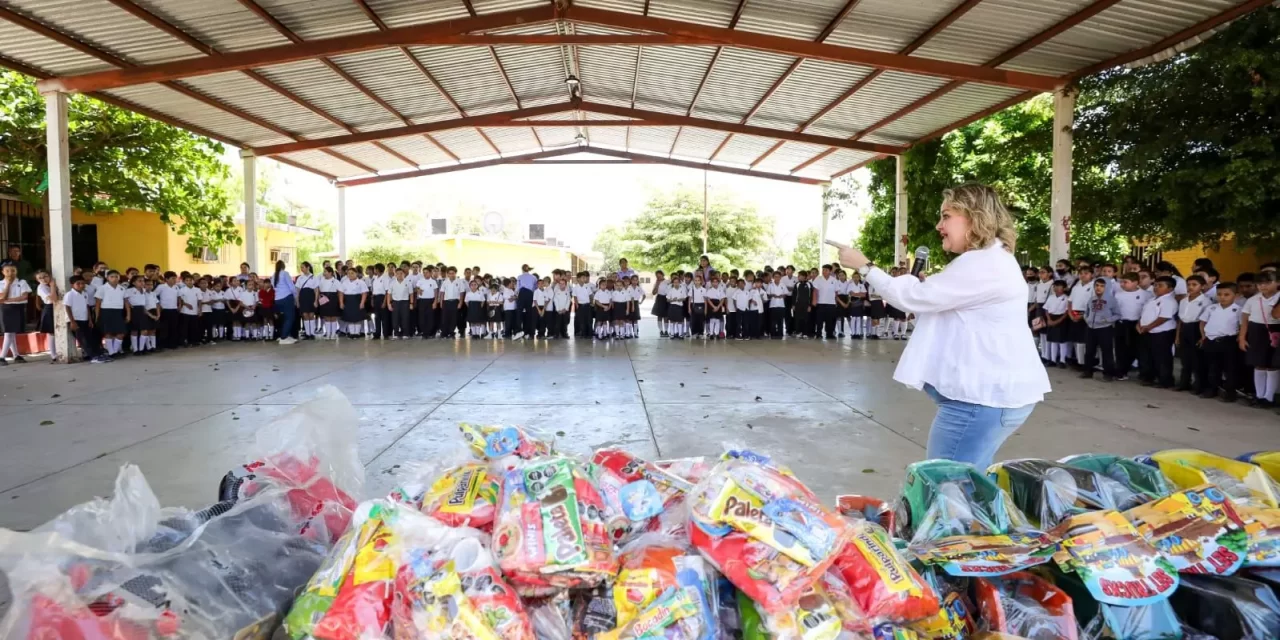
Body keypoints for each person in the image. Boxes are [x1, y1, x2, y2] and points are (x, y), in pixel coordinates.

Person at [832, 182, 1050, 468]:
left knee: (945, 489)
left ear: (974, 218)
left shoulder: (982, 263)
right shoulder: (994, 260)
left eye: (946, 216)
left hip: (978, 402)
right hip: (990, 399)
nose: (939, 225)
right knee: (967, 486)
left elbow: (911, 297)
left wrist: (864, 266)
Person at [1239, 271, 1279, 407]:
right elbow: (1245, 319)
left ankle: (1269, 397)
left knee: (1272, 365)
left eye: (1268, 283)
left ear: (1277, 283)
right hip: (1256, 331)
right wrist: (1242, 337)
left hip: (1275, 331)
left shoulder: (1279, 297)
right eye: (1260, 283)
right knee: (1259, 363)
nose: (1263, 286)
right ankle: (1259, 395)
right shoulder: (1253, 300)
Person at [1199, 282, 1240, 401]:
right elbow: (1202, 322)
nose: (1222, 297)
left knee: (1230, 368)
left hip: (1228, 341)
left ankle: (1230, 392)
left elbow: (1242, 325)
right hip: (1211, 340)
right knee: (1212, 367)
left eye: (1226, 294)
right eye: (1219, 294)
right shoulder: (1211, 308)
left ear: (1235, 295)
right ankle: (1212, 389)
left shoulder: (1238, 310)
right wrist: (1203, 336)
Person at [1137, 276, 1178, 389]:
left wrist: (1148, 327)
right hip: (1147, 331)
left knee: (1162, 357)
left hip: (1162, 332)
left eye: (1160, 286)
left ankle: (1165, 380)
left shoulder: (1169, 301)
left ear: (1170, 289)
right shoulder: (1152, 299)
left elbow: (1163, 318)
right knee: (1147, 356)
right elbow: (1143, 314)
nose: (1156, 288)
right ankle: (1148, 377)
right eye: (1155, 285)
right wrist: (1140, 325)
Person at [1174, 275, 1211, 393]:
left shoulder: (1206, 301)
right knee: (1185, 359)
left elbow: (1205, 320)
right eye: (1188, 284)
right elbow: (1180, 319)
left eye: (1194, 285)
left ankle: (1199, 385)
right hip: (1185, 328)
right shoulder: (1184, 300)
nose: (1190, 287)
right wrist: (1177, 335)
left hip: (1196, 328)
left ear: (1202, 286)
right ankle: (1184, 383)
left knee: (1197, 359)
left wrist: (1202, 336)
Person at [1081, 278, 1118, 381]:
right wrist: (1087, 319)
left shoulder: (1111, 300)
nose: (1098, 288)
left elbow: (1118, 315)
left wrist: (1107, 320)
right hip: (1091, 328)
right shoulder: (1091, 299)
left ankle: (1108, 374)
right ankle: (1087, 371)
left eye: (1102, 286)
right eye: (1097, 285)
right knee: (1089, 350)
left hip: (1104, 329)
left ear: (1107, 288)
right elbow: (1086, 312)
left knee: (1106, 351)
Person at [1, 263, 31, 364]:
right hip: (6, 309)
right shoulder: (1, 283)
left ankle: (16, 355)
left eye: (13, 271)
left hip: (18, 308)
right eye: (7, 271)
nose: (10, 273)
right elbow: (2, 298)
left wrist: (8, 299)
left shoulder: (22, 282)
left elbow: (24, 297)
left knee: (13, 332)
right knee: (9, 332)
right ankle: (2, 357)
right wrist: (8, 284)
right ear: (3, 272)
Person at [96, 270, 130, 358]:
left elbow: (126, 302)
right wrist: (97, 315)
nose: (114, 278)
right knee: (108, 333)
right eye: (112, 277)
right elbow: (98, 303)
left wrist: (128, 314)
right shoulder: (102, 288)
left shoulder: (122, 288)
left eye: (116, 276)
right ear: (107, 278)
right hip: (106, 311)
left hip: (118, 311)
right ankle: (112, 353)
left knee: (121, 333)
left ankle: (114, 351)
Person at [35, 271, 58, 364]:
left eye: (45, 276)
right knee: (51, 332)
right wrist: (52, 286)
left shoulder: (48, 285)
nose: (44, 279)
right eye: (40, 278)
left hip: (56, 308)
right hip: (49, 308)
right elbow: (53, 299)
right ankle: (53, 354)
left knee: (55, 332)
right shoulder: (41, 287)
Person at [338, 268, 368, 338]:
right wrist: (341, 302)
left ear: (356, 273)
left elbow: (364, 293)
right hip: (348, 300)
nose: (350, 275)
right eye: (348, 273)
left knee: (357, 317)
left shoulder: (361, 282)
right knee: (349, 317)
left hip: (357, 300)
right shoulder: (344, 282)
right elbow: (341, 293)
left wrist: (362, 302)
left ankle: (357, 333)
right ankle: (351, 333)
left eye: (352, 273)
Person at [812, 264, 838, 340]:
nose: (824, 271)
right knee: (819, 320)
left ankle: (829, 334)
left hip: (831, 303)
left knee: (830, 320)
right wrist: (814, 300)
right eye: (823, 270)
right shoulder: (818, 279)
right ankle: (818, 334)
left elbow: (836, 292)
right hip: (821, 302)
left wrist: (836, 302)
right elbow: (815, 291)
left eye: (826, 270)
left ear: (830, 271)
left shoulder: (834, 280)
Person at [515, 264, 538, 339]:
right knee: (529, 313)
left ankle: (519, 331)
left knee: (519, 313)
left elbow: (517, 288)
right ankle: (527, 332)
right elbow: (535, 288)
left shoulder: (519, 277)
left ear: (522, 269)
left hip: (522, 294)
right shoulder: (534, 277)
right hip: (530, 294)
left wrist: (516, 295)